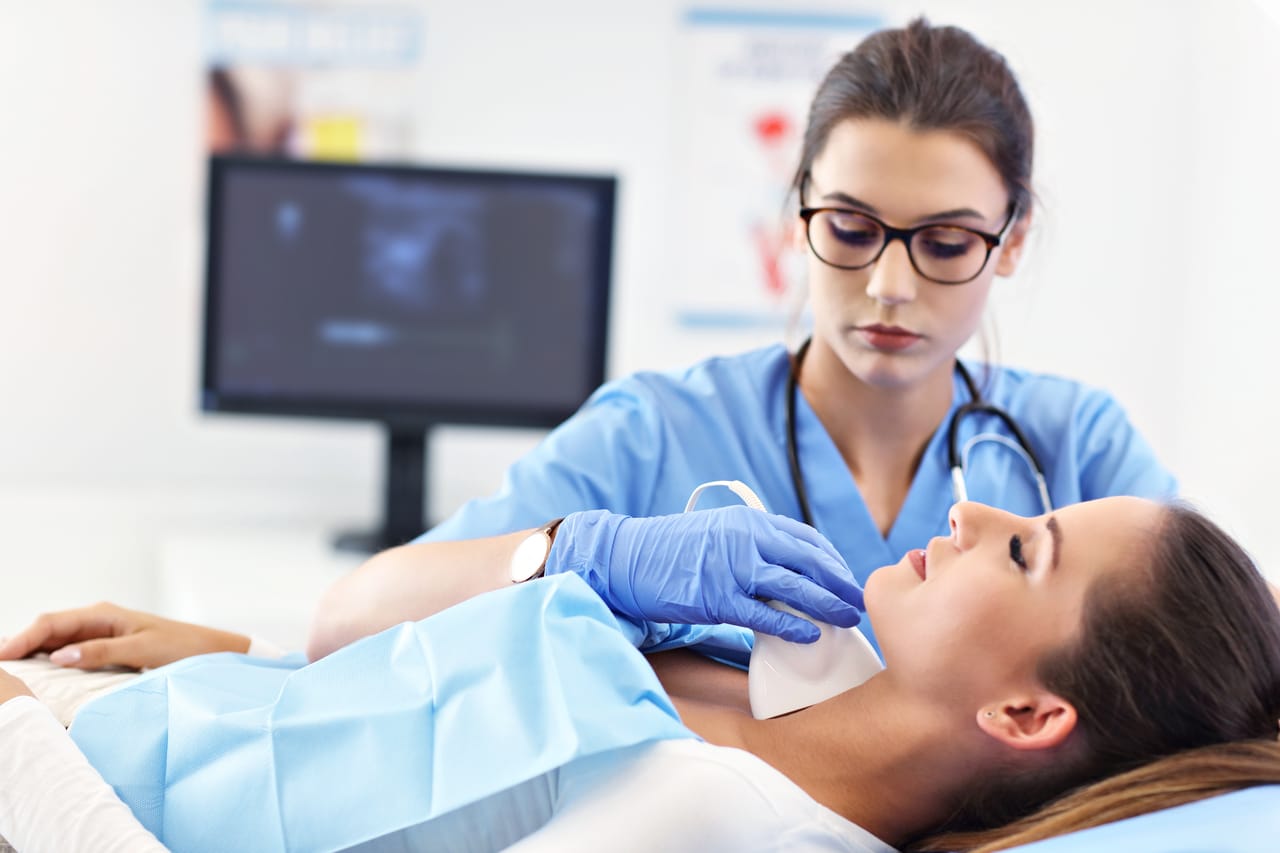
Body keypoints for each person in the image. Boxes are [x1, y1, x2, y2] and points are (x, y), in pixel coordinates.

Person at [1, 497, 1278, 853]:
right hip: (122, 719)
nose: (969, 509)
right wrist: (240, 658)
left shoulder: (728, 818)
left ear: (1026, 711)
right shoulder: (793, 653)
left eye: (1021, 549)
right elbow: (406, 734)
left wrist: (17, 747)